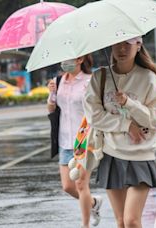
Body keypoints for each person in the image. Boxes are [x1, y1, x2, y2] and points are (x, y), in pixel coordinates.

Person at [83, 36, 156, 228]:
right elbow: (94, 117)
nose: (122, 48)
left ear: (138, 45)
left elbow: (155, 117)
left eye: (127, 43)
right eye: (117, 43)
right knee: (121, 221)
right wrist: (126, 125)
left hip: (141, 156)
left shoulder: (148, 78)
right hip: (111, 154)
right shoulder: (100, 77)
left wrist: (129, 103)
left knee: (131, 221)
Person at [47, 54, 102, 228]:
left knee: (80, 184)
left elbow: (96, 109)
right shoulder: (58, 81)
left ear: (80, 60)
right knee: (67, 186)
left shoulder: (89, 81)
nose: (64, 62)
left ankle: (85, 225)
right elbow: (52, 108)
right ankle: (93, 203)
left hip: (84, 141)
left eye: (69, 58)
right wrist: (52, 93)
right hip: (64, 139)